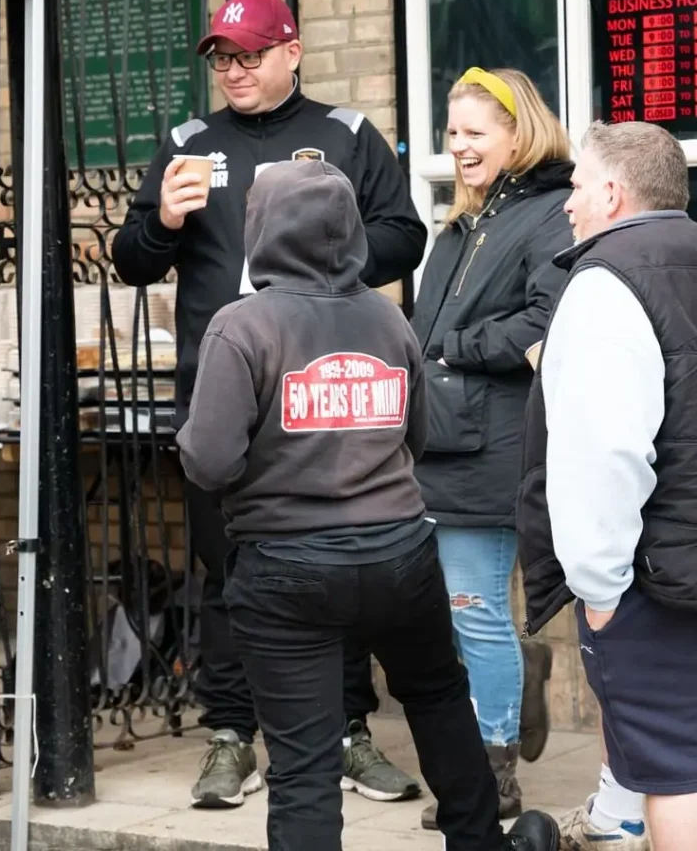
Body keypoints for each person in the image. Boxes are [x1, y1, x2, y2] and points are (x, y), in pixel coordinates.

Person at [177, 158, 560, 851]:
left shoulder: (241, 326)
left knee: (304, 765)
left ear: (262, 228)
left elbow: (209, 461)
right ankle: (480, 840)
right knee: (439, 700)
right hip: (400, 557)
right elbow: (416, 435)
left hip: (285, 564)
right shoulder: (388, 319)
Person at [112, 0, 427, 809]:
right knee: (225, 569)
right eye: (222, 58)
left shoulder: (346, 134)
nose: (234, 70)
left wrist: (330, 252)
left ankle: (348, 733)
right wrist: (163, 222)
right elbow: (132, 259)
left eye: (250, 55)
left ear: (292, 52)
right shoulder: (190, 143)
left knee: (336, 563)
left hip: (326, 393)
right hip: (221, 394)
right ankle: (229, 735)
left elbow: (406, 235)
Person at [517, 120, 697, 851]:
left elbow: (605, 453)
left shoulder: (605, 285)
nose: (567, 202)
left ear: (615, 192)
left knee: (676, 777)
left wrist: (600, 590)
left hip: (656, 588)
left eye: (578, 185)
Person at [409, 67, 570, 828]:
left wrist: (457, 345)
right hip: (436, 446)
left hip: (495, 449)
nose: (459, 146)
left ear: (518, 133)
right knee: (454, 615)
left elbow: (549, 321)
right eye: (453, 132)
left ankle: (494, 774)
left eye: (475, 132)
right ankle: (516, 671)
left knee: (473, 610)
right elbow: (423, 334)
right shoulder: (461, 222)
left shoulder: (549, 215)